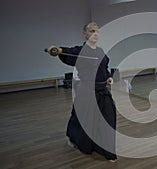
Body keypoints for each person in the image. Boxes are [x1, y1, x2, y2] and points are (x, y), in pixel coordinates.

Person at [46, 22, 117, 162]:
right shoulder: (80, 51)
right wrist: (54, 49)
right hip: (87, 92)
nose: (95, 33)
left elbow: (105, 68)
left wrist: (109, 77)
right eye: (92, 31)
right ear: (85, 34)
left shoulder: (101, 51)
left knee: (108, 119)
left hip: (103, 92)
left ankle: (108, 151)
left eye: (97, 31)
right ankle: (77, 140)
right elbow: (65, 51)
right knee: (82, 121)